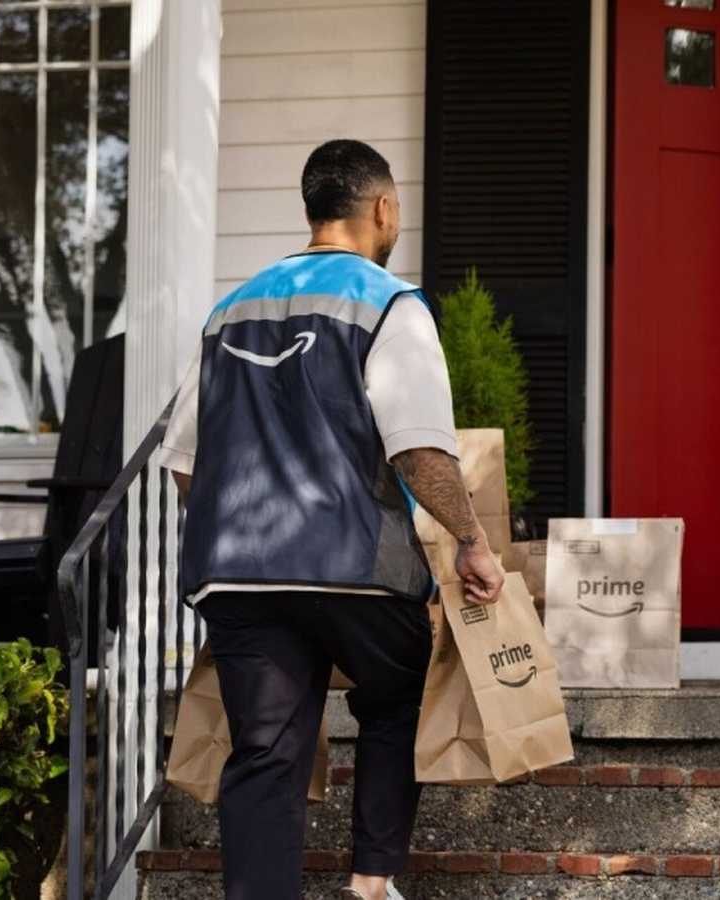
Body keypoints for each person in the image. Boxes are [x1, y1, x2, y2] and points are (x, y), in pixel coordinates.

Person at [156, 139, 505, 900]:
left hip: (238, 572)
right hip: (356, 570)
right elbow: (422, 454)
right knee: (394, 694)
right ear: (382, 208)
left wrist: (236, 533)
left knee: (265, 752)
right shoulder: (388, 302)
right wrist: (473, 544)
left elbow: (184, 460)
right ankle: (371, 883)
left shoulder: (231, 309)